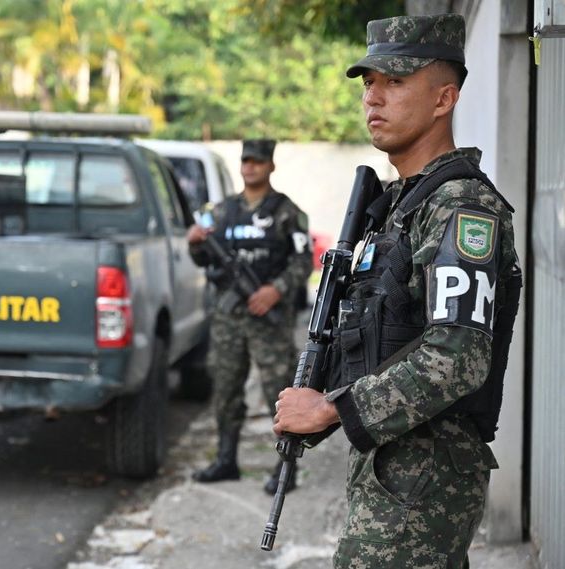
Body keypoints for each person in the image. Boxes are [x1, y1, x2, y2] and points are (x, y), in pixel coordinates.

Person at [272, 14, 521, 568]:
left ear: (444, 98)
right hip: (398, 464)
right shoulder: (400, 206)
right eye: (368, 84)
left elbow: (457, 356)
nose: (373, 99)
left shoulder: (459, 207)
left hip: (426, 471)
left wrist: (332, 408)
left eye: (396, 81)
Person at [188, 139, 312, 494]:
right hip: (229, 319)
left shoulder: (287, 212)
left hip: (269, 317)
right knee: (226, 388)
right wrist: (195, 242)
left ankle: (284, 467)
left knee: (280, 392)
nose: (250, 167)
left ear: (270, 166)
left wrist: (276, 289)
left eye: (258, 161)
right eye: (246, 161)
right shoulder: (223, 211)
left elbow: (304, 260)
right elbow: (204, 259)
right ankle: (226, 459)